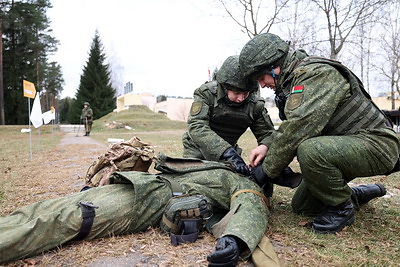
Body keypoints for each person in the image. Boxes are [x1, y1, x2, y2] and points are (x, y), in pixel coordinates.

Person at [238, 32, 400, 234]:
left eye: (262, 78)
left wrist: (265, 172)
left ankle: (342, 209)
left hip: (377, 145)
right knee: (304, 206)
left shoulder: (316, 74)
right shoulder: (294, 81)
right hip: (345, 146)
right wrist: (267, 145)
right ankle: (356, 195)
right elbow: (292, 123)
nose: (262, 85)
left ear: (275, 66)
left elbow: (299, 128)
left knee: (309, 150)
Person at [0, 155, 271, 266]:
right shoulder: (220, 166)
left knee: (63, 220)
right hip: (135, 185)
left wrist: (235, 238)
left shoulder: (242, 183)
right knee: (40, 208)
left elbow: (251, 205)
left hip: (143, 203)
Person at [182, 55, 276, 178]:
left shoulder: (254, 104)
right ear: (225, 87)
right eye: (236, 93)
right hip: (198, 151)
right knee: (197, 183)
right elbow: (196, 126)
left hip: (231, 154)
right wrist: (226, 152)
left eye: (245, 93)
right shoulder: (207, 94)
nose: (241, 98)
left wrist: (265, 148)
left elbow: (268, 134)